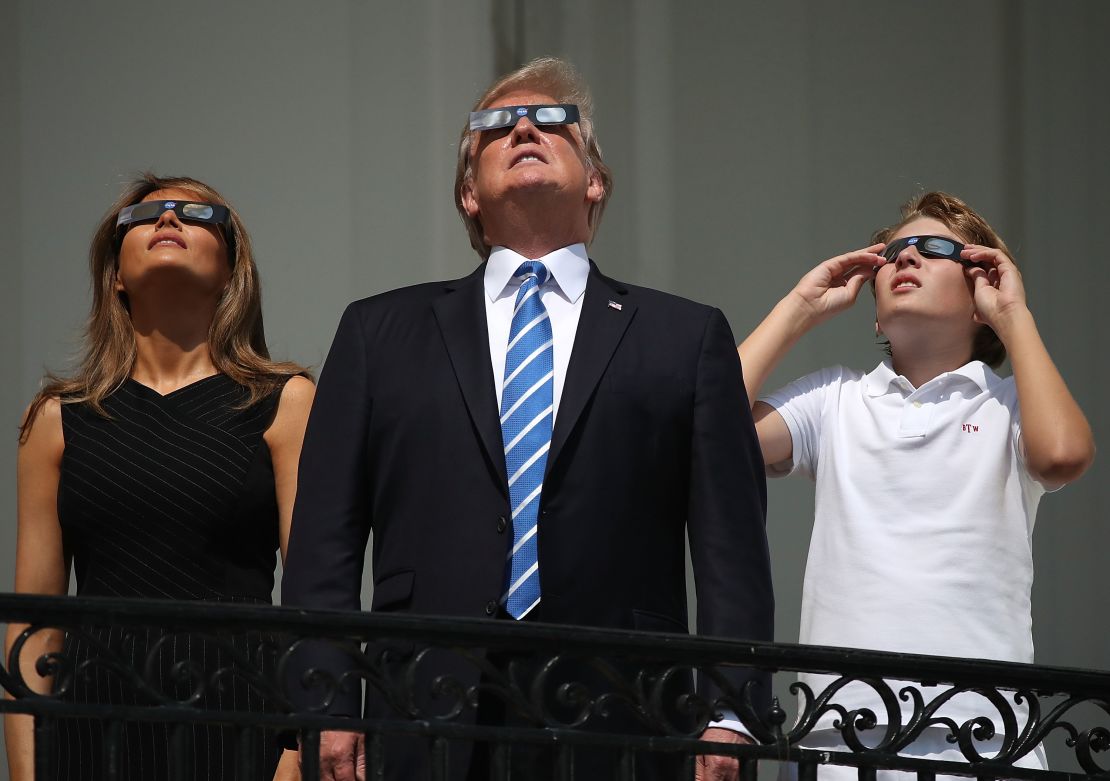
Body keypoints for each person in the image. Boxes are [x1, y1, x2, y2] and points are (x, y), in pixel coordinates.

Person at [281, 56, 774, 781]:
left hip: (623, 712)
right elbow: (324, 539)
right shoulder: (378, 332)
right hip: (425, 704)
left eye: (552, 120)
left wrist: (730, 710)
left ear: (596, 178)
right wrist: (323, 701)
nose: (522, 128)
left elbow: (731, 547)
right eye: (494, 125)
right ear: (468, 193)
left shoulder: (685, 336)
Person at [738, 191, 1095, 779]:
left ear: (981, 295)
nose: (907, 259)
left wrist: (1014, 316)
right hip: (839, 736)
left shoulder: (1009, 403)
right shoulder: (835, 399)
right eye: (894, 253)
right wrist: (799, 307)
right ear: (875, 313)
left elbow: (1062, 456)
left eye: (934, 250)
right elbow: (710, 432)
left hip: (982, 736)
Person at [4, 174, 314, 781]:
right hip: (94, 732)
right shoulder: (56, 419)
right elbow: (34, 627)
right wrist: (26, 773)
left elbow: (310, 603)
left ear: (231, 270)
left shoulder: (283, 402)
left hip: (239, 726)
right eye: (144, 215)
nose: (167, 219)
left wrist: (296, 748)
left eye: (194, 213)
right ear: (116, 271)